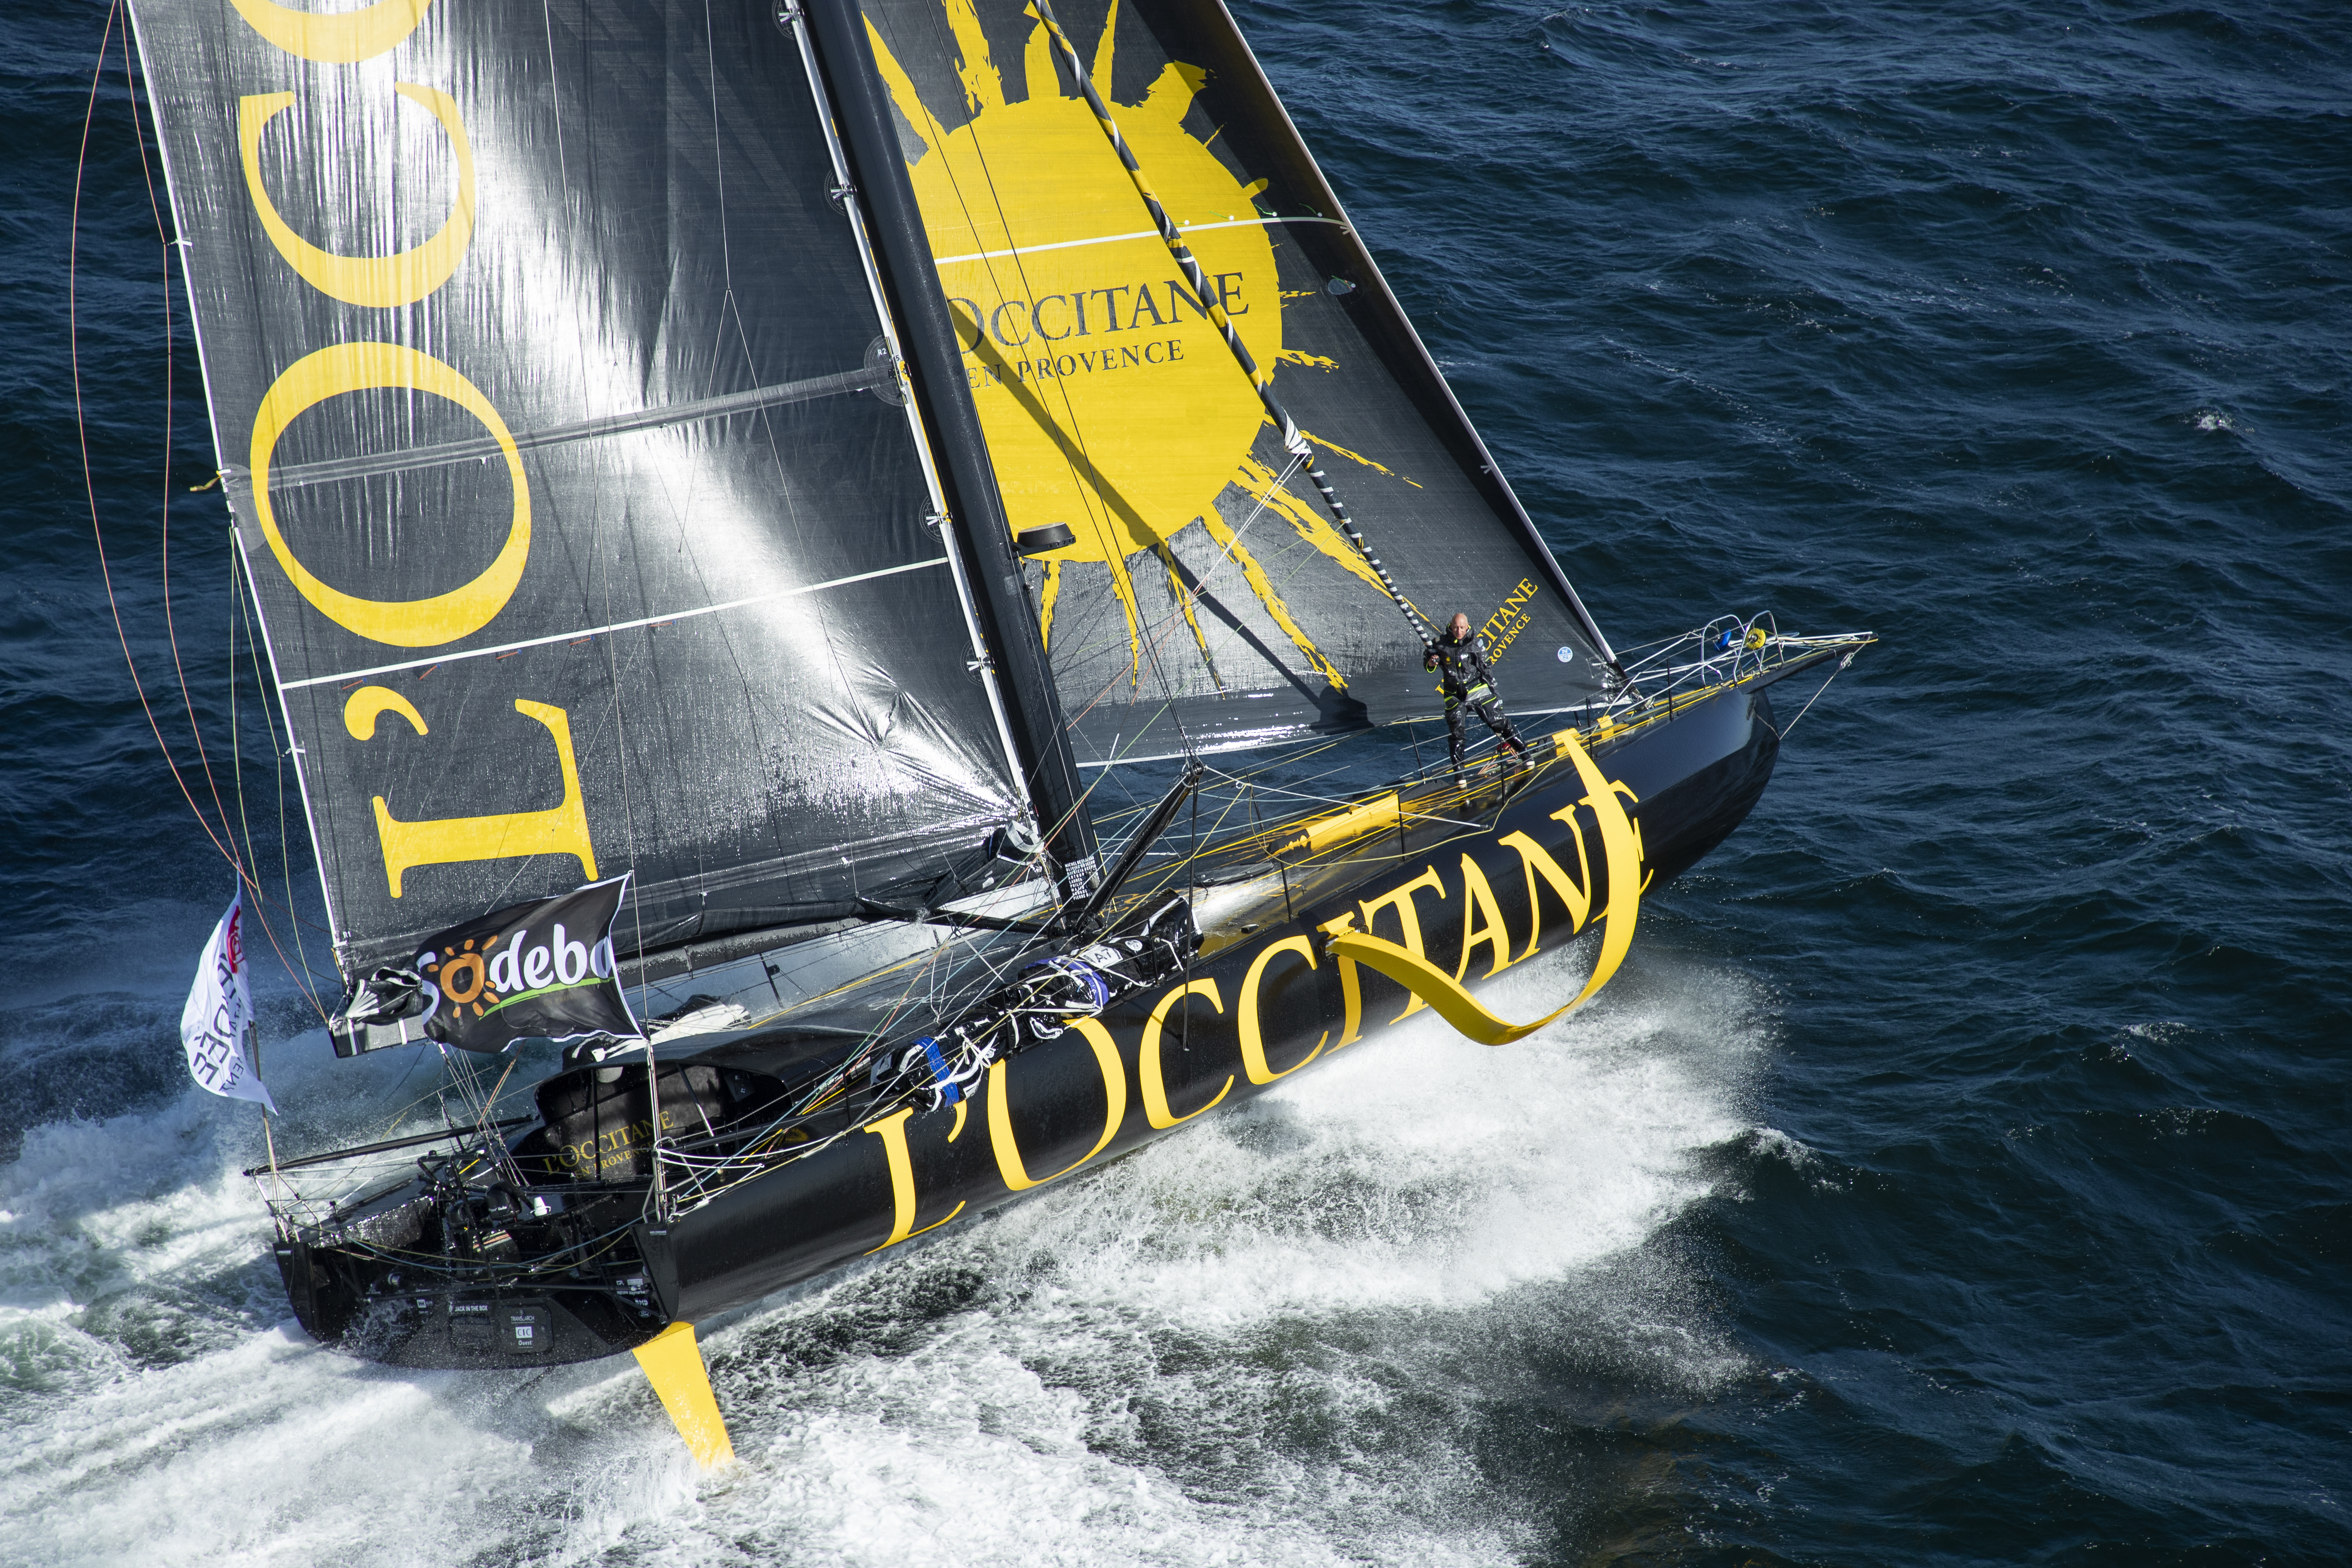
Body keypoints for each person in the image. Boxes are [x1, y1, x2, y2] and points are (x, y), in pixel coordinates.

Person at [1425, 612, 1528, 771]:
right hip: (1454, 696)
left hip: (1477, 689)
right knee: (1457, 734)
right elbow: (1427, 661)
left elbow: (1487, 671)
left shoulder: (1475, 644)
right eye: (1456, 628)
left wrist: (1497, 697)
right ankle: (1459, 774)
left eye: (1462, 628)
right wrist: (1432, 663)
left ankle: (1525, 754)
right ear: (1451, 627)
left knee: (1498, 721)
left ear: (1468, 628)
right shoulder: (1440, 643)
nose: (1459, 631)